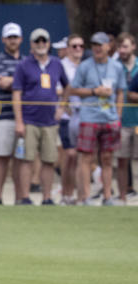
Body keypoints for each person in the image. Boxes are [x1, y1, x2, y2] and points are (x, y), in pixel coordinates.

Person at [12, 28, 68, 205]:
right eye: (37, 41)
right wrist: (19, 121)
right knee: (26, 160)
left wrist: (62, 108)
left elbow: (67, 87)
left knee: (49, 160)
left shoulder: (57, 64)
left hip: (50, 121)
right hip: (29, 120)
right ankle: (25, 197)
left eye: (44, 41)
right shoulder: (23, 65)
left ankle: (47, 197)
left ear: (49, 44)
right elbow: (16, 94)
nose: (41, 44)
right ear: (31, 45)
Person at [70, 32, 126, 206]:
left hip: (109, 118)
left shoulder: (116, 67)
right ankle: (85, 197)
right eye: (94, 44)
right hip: (89, 117)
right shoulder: (85, 66)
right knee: (85, 158)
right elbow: (74, 89)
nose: (97, 48)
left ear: (108, 46)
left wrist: (118, 116)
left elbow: (120, 92)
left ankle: (108, 196)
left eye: (100, 44)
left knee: (108, 158)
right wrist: (94, 92)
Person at [0, 22, 23, 204]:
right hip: (3, 117)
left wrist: (15, 82)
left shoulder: (27, 61)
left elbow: (14, 83)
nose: (13, 41)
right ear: (3, 39)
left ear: (21, 39)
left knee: (21, 159)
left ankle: (20, 198)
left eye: (15, 37)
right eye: (9, 37)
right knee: (1, 157)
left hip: (24, 118)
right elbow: (3, 83)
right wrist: (24, 81)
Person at [59, 34, 84, 204]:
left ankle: (81, 196)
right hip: (68, 117)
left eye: (81, 46)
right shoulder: (61, 66)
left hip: (85, 116)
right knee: (70, 156)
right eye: (74, 46)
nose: (78, 49)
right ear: (67, 48)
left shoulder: (87, 66)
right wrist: (66, 103)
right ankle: (66, 195)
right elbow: (58, 90)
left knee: (82, 158)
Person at [115, 33, 138, 202]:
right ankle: (122, 196)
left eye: (125, 46)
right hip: (121, 121)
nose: (122, 50)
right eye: (120, 47)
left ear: (133, 47)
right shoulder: (113, 66)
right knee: (121, 159)